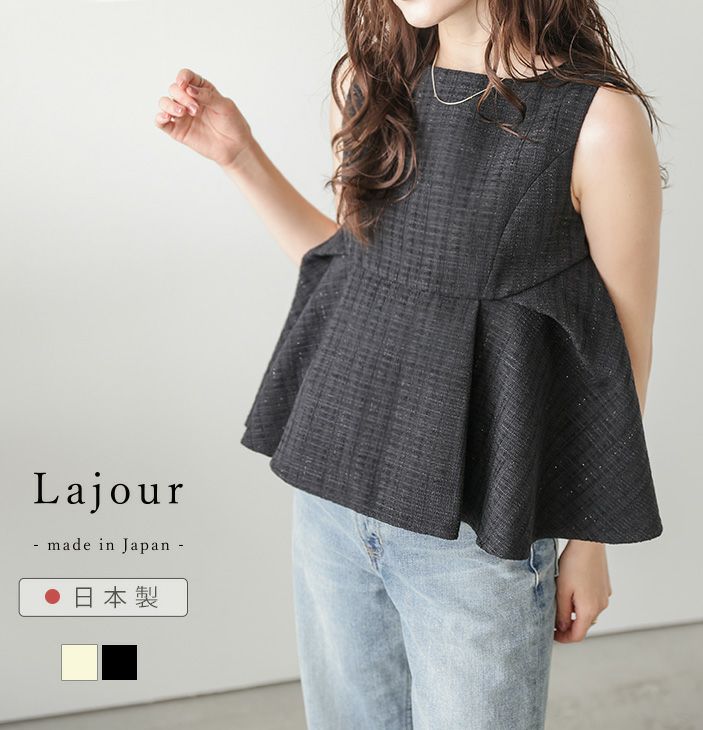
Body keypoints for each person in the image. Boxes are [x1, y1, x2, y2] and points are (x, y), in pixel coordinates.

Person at [155, 1, 665, 727]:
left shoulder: (598, 121)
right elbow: (353, 272)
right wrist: (239, 157)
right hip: (333, 502)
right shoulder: (374, 86)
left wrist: (587, 539)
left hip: (473, 533)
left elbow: (617, 352)